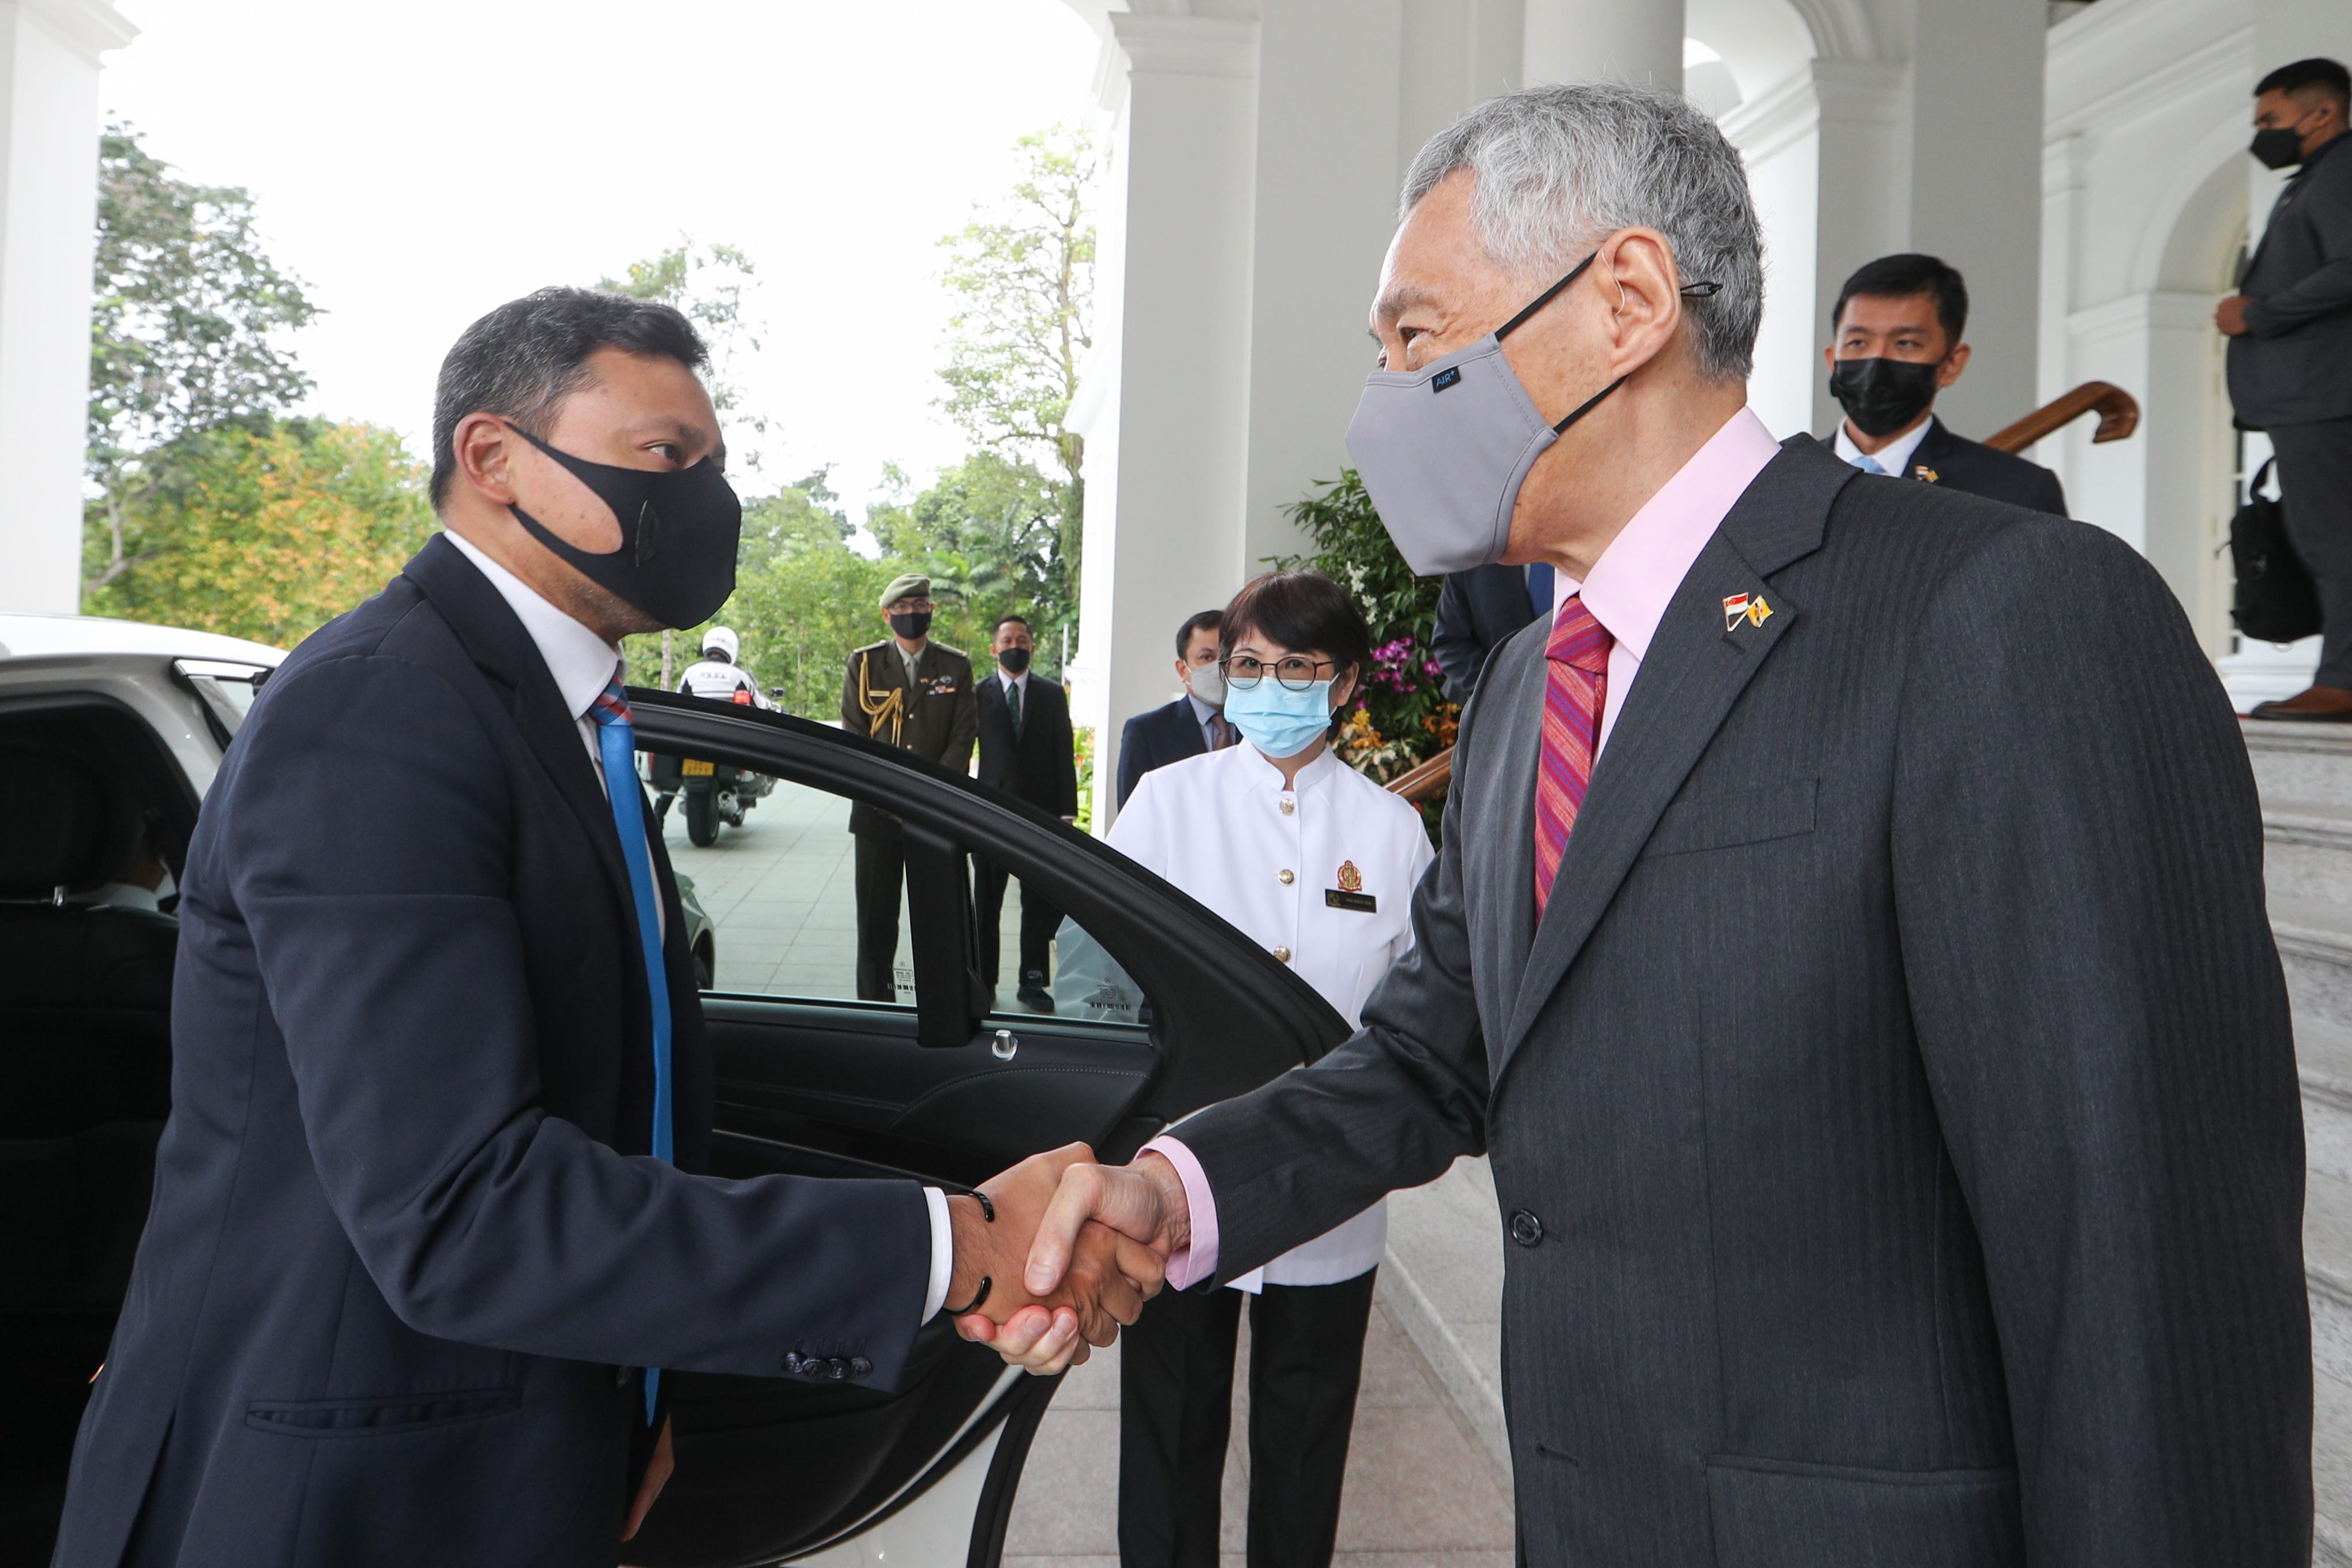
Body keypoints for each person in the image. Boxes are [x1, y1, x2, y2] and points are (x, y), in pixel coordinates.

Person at [973, 83, 2312, 1566]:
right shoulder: (1527, 688)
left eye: (1417, 338)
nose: (1384, 395)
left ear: (1623, 300)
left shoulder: (2002, 615)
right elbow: (1431, 1050)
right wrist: (1169, 1190)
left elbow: (2145, 1260)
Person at [50, 287, 1157, 1568]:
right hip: (340, 1490)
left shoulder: (553, 714)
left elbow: (611, 1107)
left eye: (715, 467)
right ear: (492, 459)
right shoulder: (384, 715)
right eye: (663, 459)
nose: (704, 502)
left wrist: (636, 1393)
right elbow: (462, 1205)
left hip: (522, 1433)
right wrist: (959, 1245)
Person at [1109, 569, 1431, 1568]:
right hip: (1179, 1178)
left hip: (1328, 1185)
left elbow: (1416, 1014)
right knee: (1170, 1433)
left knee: (1303, 1444)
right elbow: (1110, 982)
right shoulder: (1167, 803)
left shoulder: (1391, 831)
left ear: (1342, 686)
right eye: (1247, 663)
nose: (1268, 683)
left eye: (1298, 666)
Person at [2223, 58, 2352, 721]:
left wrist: (2258, 312)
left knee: (2332, 539)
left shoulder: (2338, 173)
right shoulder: (2316, 179)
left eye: (2271, 120)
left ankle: (2341, 681)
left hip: (2324, 396)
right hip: (2310, 397)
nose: (2263, 133)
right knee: (2321, 535)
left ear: (2322, 113)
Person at [1818, 253, 2067, 513]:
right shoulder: (1781, 472)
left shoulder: (2016, 493)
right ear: (1832, 359)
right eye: (1858, 342)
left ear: (1951, 364)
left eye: (1906, 344)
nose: (1877, 360)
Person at [840, 574, 978, 1002]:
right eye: (901, 609)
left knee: (942, 922)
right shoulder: (864, 665)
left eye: (920, 606)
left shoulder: (955, 666)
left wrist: (927, 796)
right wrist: (894, 795)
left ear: (931, 611)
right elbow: (856, 738)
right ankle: (875, 1011)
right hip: (877, 814)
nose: (911, 615)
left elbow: (962, 737)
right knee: (876, 926)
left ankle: (945, 1008)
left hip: (936, 816)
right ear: (887, 615)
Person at [975, 612, 1079, 1011]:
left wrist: (1066, 814)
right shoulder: (978, 694)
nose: (1014, 646)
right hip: (989, 811)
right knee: (986, 902)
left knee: (1037, 902)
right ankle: (983, 979)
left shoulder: (1051, 694)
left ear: (1032, 647)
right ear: (994, 648)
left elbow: (1062, 754)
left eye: (1022, 639)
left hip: (1042, 813)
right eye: (1007, 640)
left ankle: (1033, 982)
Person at [1116, 610, 1237, 807]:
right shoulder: (1146, 732)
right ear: (1183, 670)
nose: (1220, 667)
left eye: (1228, 656)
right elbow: (1132, 813)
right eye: (1206, 657)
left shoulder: (1261, 727)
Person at [1430, 562, 1550, 703]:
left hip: (1579, 703)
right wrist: (1506, 693)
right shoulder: (1477, 557)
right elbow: (1450, 642)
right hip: (1505, 712)